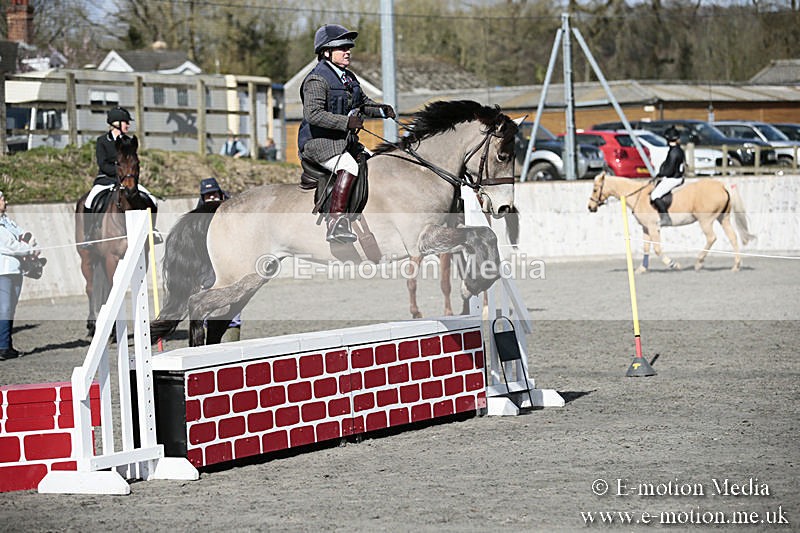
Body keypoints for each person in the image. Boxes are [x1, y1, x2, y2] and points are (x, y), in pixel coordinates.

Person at [297, 23, 395, 243]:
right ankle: (337, 223)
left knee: (378, 163)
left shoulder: (348, 78)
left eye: (348, 47)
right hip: (319, 142)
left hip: (344, 142)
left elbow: (363, 104)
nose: (348, 51)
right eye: (342, 47)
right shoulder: (316, 79)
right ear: (326, 52)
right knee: (349, 166)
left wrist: (381, 110)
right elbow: (313, 114)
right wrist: (346, 122)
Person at [84, 106, 160, 241]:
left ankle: (151, 230)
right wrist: (119, 173)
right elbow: (103, 164)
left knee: (152, 199)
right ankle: (88, 235)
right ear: (116, 123)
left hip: (127, 180)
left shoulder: (128, 141)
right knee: (89, 201)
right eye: (126, 122)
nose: (128, 125)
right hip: (106, 179)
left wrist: (128, 175)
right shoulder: (102, 141)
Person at [197, 177, 241, 342]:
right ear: (203, 199)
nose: (212, 199)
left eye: (214, 194)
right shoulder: (198, 217)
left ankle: (233, 342)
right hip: (207, 271)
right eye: (208, 196)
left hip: (231, 269)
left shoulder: (234, 211)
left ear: (221, 195)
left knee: (233, 311)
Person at [0, 191, 38, 360]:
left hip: (15, 269)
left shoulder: (7, 221)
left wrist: (30, 242)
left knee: (11, 308)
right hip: (3, 271)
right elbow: (10, 246)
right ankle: (2, 347)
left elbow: (25, 235)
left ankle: (7, 345)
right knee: (5, 309)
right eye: (2, 199)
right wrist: (29, 249)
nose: (5, 201)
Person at [650, 126, 686, 226]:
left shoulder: (673, 152)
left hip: (673, 179)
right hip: (677, 176)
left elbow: (669, 170)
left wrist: (660, 174)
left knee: (654, 195)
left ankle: (665, 218)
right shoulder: (678, 150)